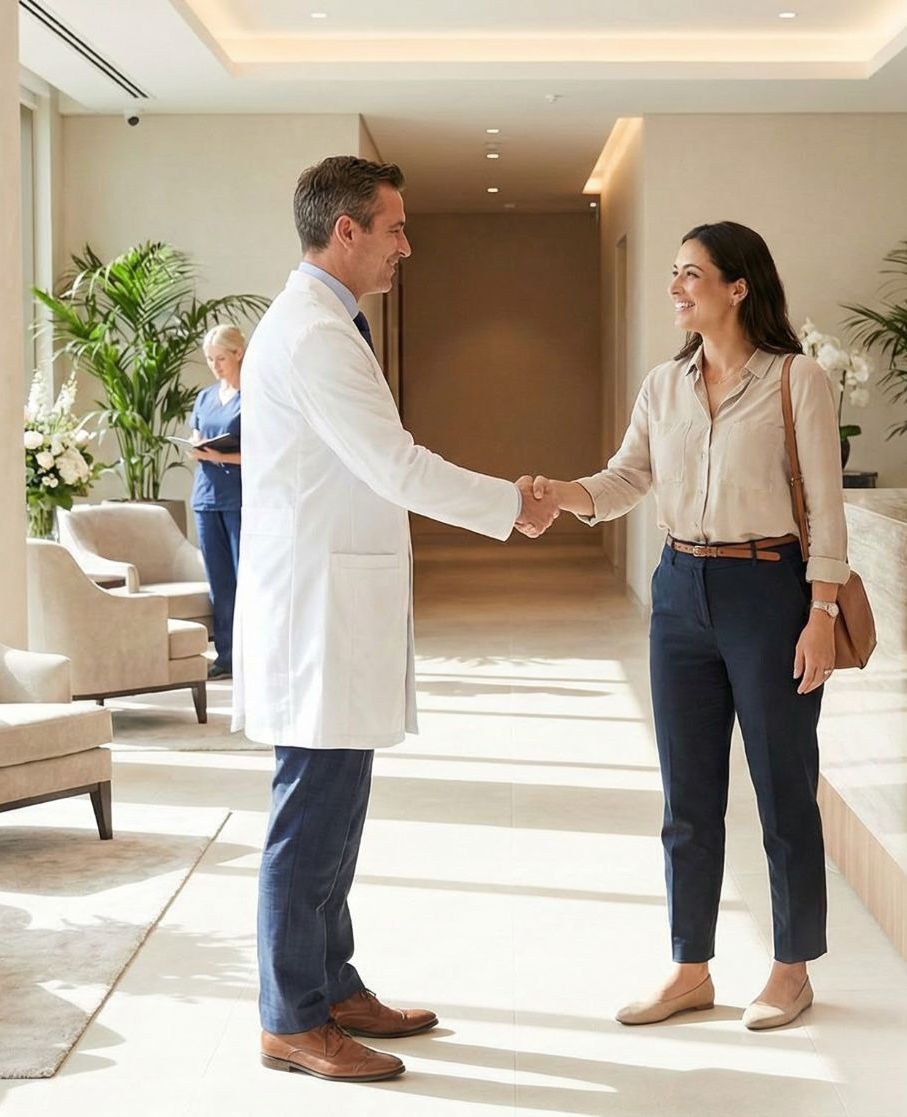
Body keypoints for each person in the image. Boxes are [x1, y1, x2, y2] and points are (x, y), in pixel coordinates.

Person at [237, 154, 559, 1084]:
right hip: (316, 614)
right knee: (311, 819)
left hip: (334, 604)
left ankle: (333, 986)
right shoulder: (313, 334)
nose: (405, 246)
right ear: (346, 230)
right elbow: (396, 464)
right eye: (395, 228)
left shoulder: (328, 322)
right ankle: (292, 1018)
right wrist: (512, 503)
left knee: (336, 815)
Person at [529, 221, 846, 1032]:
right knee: (687, 796)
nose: (675, 287)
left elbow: (826, 507)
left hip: (768, 592)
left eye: (691, 274)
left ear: (739, 287)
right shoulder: (664, 385)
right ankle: (690, 966)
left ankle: (791, 968)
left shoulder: (797, 380)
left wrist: (822, 612)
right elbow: (626, 477)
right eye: (674, 273)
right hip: (679, 592)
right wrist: (562, 494)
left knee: (783, 788)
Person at [187, 324, 246, 679]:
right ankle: (226, 656)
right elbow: (196, 435)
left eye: (220, 358)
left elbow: (264, 451)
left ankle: (250, 656)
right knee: (219, 581)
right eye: (210, 359)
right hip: (206, 499)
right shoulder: (205, 397)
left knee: (245, 578)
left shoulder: (254, 395)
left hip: (239, 497)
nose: (215, 366)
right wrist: (199, 449)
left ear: (238, 354)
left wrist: (221, 457)